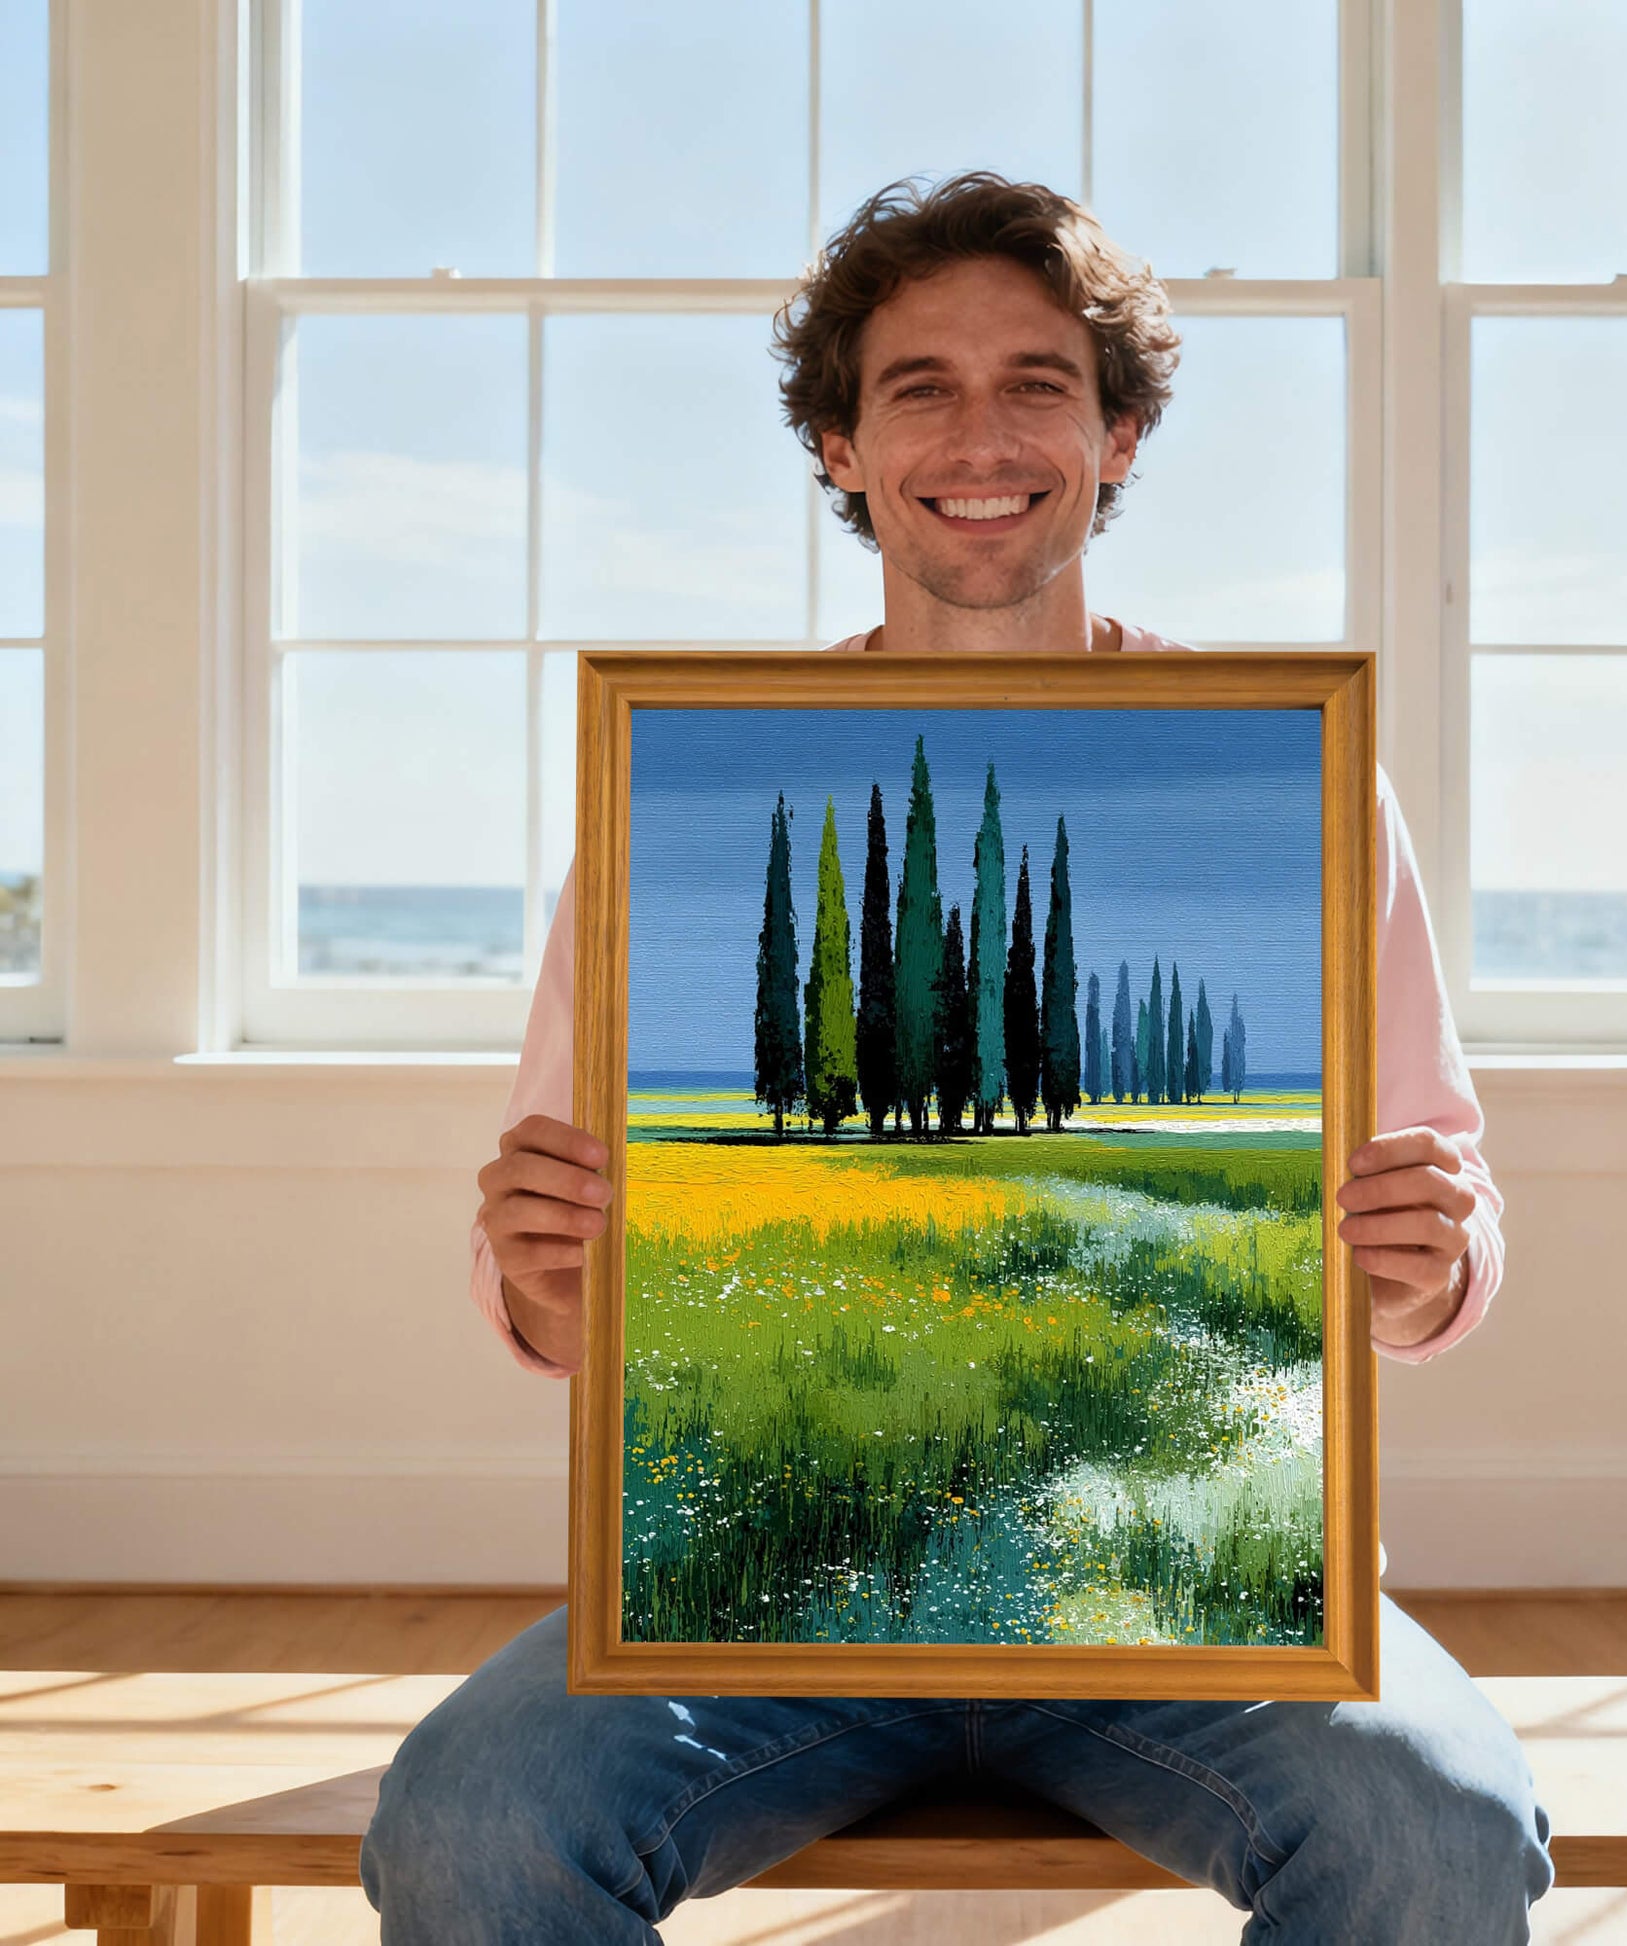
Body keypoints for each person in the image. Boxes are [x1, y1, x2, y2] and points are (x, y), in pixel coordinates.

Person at [360, 172, 1553, 1944]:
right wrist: (543, 1268)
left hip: (1192, 1601)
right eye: (916, 385)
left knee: (1437, 1832)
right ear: (838, 445)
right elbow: (554, 1298)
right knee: (473, 1822)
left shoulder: (1287, 768)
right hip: (767, 1594)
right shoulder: (686, 782)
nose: (977, 435)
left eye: (1038, 383)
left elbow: (1423, 1244)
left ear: (1120, 434)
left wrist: (1423, 1260)